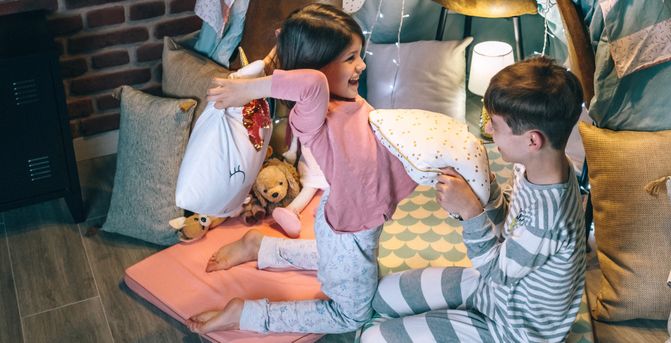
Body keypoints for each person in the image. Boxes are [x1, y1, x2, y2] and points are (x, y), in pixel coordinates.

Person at [186, 3, 418, 334]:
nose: (361, 65)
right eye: (350, 57)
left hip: (345, 217)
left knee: (335, 257)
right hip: (349, 226)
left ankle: (261, 247)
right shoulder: (312, 113)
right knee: (352, 315)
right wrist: (250, 89)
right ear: (318, 68)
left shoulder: (340, 98)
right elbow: (310, 83)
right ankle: (246, 315)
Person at [360, 57, 588, 342]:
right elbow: (509, 224)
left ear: (532, 141)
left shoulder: (549, 220)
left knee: (373, 337)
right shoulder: (536, 167)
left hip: (516, 329)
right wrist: (484, 181)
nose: (489, 131)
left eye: (495, 125)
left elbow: (496, 271)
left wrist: (470, 212)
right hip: (493, 291)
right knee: (381, 298)